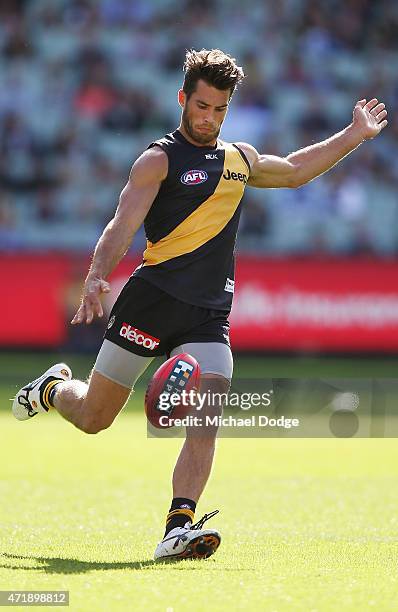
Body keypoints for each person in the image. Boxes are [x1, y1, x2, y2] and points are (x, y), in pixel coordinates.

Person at [12, 48, 388, 561]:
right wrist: (97, 275)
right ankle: (55, 388)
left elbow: (295, 171)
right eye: (202, 106)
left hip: (208, 313)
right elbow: (122, 223)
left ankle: (178, 525)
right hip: (150, 302)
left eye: (220, 109)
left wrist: (353, 135)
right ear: (182, 99)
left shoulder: (239, 160)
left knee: (207, 416)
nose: (210, 118)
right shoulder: (157, 160)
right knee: (95, 417)